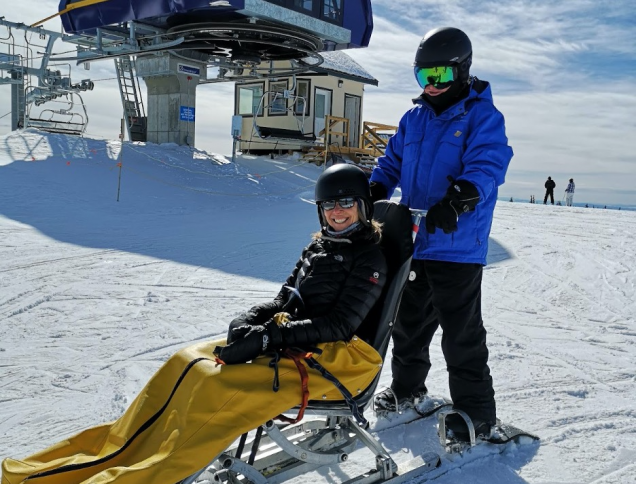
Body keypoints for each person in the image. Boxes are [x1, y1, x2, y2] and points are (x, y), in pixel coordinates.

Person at [2, 164, 388, 484]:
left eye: (346, 204)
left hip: (339, 359)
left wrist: (270, 337)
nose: (337, 212)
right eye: (329, 205)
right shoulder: (320, 245)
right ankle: (120, 447)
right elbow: (288, 296)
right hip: (299, 340)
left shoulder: (369, 258)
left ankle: (148, 471)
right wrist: (256, 317)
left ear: (362, 207)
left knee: (213, 383)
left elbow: (339, 324)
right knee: (186, 361)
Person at [368, 26, 513, 441]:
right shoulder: (412, 120)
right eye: (423, 76)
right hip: (416, 241)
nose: (432, 86)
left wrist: (462, 196)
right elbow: (391, 161)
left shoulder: (481, 116)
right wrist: (376, 188)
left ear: (462, 72)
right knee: (407, 325)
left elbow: (489, 162)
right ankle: (407, 390)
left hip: (457, 244)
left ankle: (476, 414)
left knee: (461, 334)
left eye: (441, 76)